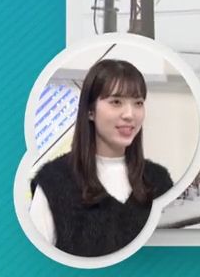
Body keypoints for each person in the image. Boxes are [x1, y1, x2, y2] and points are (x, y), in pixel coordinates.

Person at [29, 59, 173, 257]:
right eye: (116, 102)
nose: (130, 114)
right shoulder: (54, 181)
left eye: (138, 103)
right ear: (90, 111)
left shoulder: (159, 181)